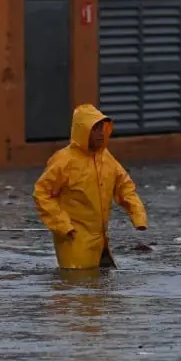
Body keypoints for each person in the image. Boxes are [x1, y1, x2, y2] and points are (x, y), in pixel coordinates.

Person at [33, 104, 148, 269]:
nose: (100, 133)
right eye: (95, 128)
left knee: (101, 289)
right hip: (74, 241)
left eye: (102, 127)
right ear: (83, 131)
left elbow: (125, 187)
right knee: (77, 287)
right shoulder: (64, 160)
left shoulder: (106, 158)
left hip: (101, 242)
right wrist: (64, 226)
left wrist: (138, 216)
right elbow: (42, 193)